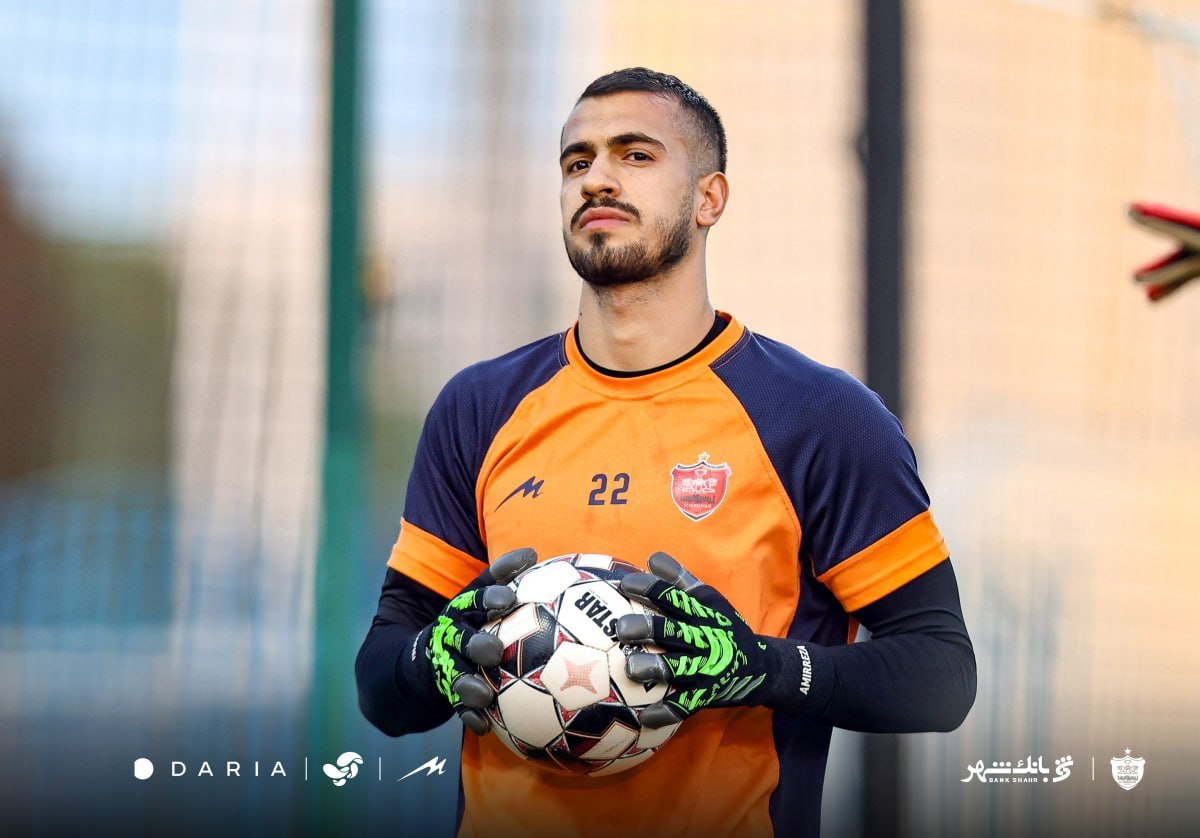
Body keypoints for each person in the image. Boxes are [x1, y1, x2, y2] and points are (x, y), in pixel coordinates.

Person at [356, 67, 976, 837]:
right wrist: (433, 659)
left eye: (635, 154)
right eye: (576, 161)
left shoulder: (817, 418)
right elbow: (381, 684)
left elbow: (942, 672)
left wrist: (761, 667)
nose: (596, 178)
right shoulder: (479, 408)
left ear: (710, 198)